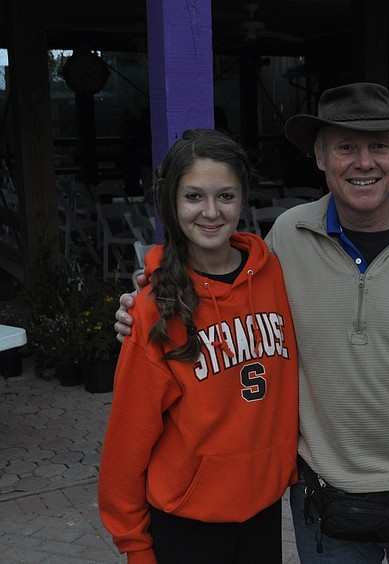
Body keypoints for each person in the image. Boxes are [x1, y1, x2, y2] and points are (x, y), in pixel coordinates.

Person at [115, 83, 389, 563]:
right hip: (323, 494)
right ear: (320, 157)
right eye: (346, 147)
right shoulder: (288, 238)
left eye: (380, 146)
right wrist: (149, 299)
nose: (364, 162)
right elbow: (224, 287)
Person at [99, 129, 299, 563]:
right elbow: (127, 441)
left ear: (243, 199)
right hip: (185, 519)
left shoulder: (275, 276)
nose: (211, 212)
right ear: (172, 203)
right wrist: (134, 544)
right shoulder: (154, 308)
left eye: (225, 196)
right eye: (194, 197)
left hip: (263, 509)